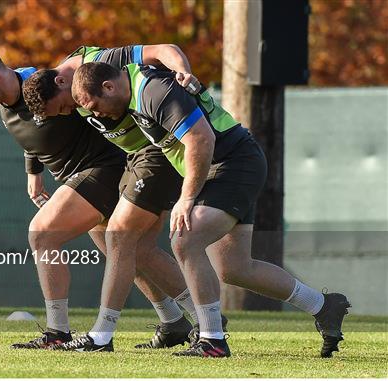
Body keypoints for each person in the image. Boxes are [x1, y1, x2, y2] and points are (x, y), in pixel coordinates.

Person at [60, 61, 351, 358]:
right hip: (226, 165)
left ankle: (212, 339)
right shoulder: (132, 91)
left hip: (232, 164)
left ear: (109, 86)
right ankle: (323, 306)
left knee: (185, 239)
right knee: (235, 268)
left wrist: (187, 199)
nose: (96, 114)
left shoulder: (152, 90)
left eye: (95, 106)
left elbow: (202, 138)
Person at [0, 48, 202, 350]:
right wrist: (33, 173)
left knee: (43, 235)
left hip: (104, 169)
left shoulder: (51, 80)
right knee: (130, 255)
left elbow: (142, 55)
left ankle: (58, 331)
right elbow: (31, 136)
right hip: (83, 176)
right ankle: (179, 319)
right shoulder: (6, 103)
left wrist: (179, 68)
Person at [22, 45, 228, 350]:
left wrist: (183, 71)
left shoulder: (100, 64)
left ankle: (101, 335)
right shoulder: (70, 92)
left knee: (119, 238)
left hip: (156, 153)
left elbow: (163, 49)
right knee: (138, 249)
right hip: (136, 158)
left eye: (66, 108)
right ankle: (203, 318)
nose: (75, 113)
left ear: (64, 83)